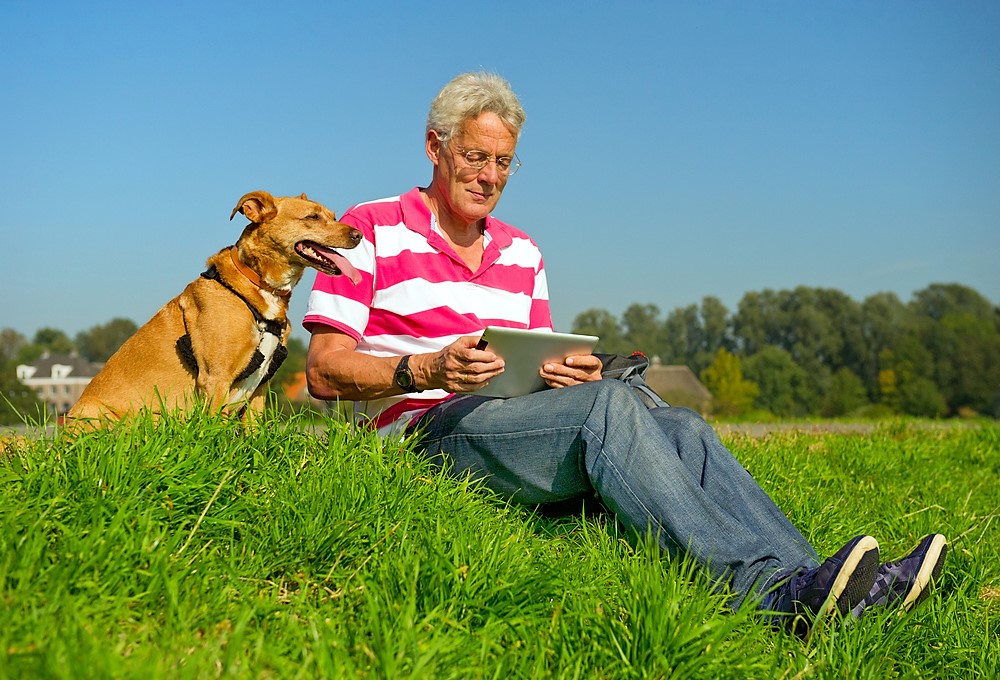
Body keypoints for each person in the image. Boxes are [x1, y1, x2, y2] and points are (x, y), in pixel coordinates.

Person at [303, 72, 947, 636]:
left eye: (504, 162)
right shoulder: (369, 227)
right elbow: (324, 370)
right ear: (434, 147)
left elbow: (535, 367)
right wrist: (426, 367)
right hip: (422, 433)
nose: (490, 176)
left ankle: (827, 586)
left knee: (682, 425)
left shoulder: (522, 251)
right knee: (607, 408)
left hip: (510, 422)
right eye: (475, 156)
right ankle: (766, 596)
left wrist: (566, 373)